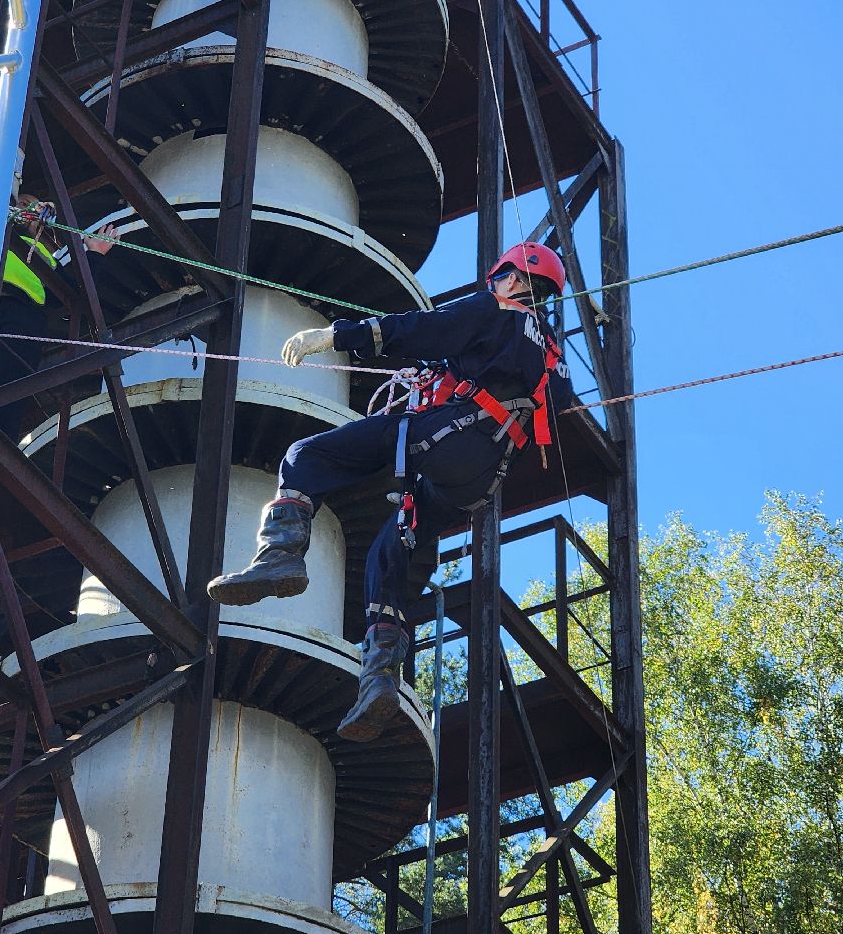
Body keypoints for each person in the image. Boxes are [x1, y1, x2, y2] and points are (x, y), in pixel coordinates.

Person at [207, 242, 572, 741]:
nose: (496, 287)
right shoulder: (553, 356)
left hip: (445, 435)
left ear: (511, 278)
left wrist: (334, 335)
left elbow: (422, 330)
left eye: (500, 280)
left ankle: (281, 554)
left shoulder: (495, 309)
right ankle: (380, 677)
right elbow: (546, 409)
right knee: (393, 548)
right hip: (480, 479)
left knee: (305, 457)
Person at [0, 188, 114, 439]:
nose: (25, 207)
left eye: (30, 203)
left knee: (8, 396)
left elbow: (74, 293)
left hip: (19, 319)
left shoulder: (41, 255)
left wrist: (94, 254)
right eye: (20, 202)